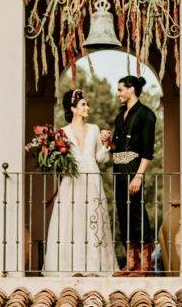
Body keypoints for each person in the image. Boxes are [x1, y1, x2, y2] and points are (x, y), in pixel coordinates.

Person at [42, 89, 116, 275]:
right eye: (83, 104)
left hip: (92, 180)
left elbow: (101, 159)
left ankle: (93, 266)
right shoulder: (62, 133)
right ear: (73, 108)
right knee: (71, 222)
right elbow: (58, 161)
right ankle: (70, 267)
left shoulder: (94, 129)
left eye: (86, 104)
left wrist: (106, 145)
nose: (87, 107)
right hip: (72, 182)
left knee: (93, 221)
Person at [101, 74, 156, 276]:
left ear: (131, 89)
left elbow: (148, 151)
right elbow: (116, 148)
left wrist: (139, 176)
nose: (118, 93)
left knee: (137, 214)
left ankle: (146, 264)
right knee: (123, 215)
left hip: (134, 169)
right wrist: (108, 141)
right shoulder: (119, 116)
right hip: (118, 171)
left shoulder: (146, 115)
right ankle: (131, 263)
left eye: (121, 89)